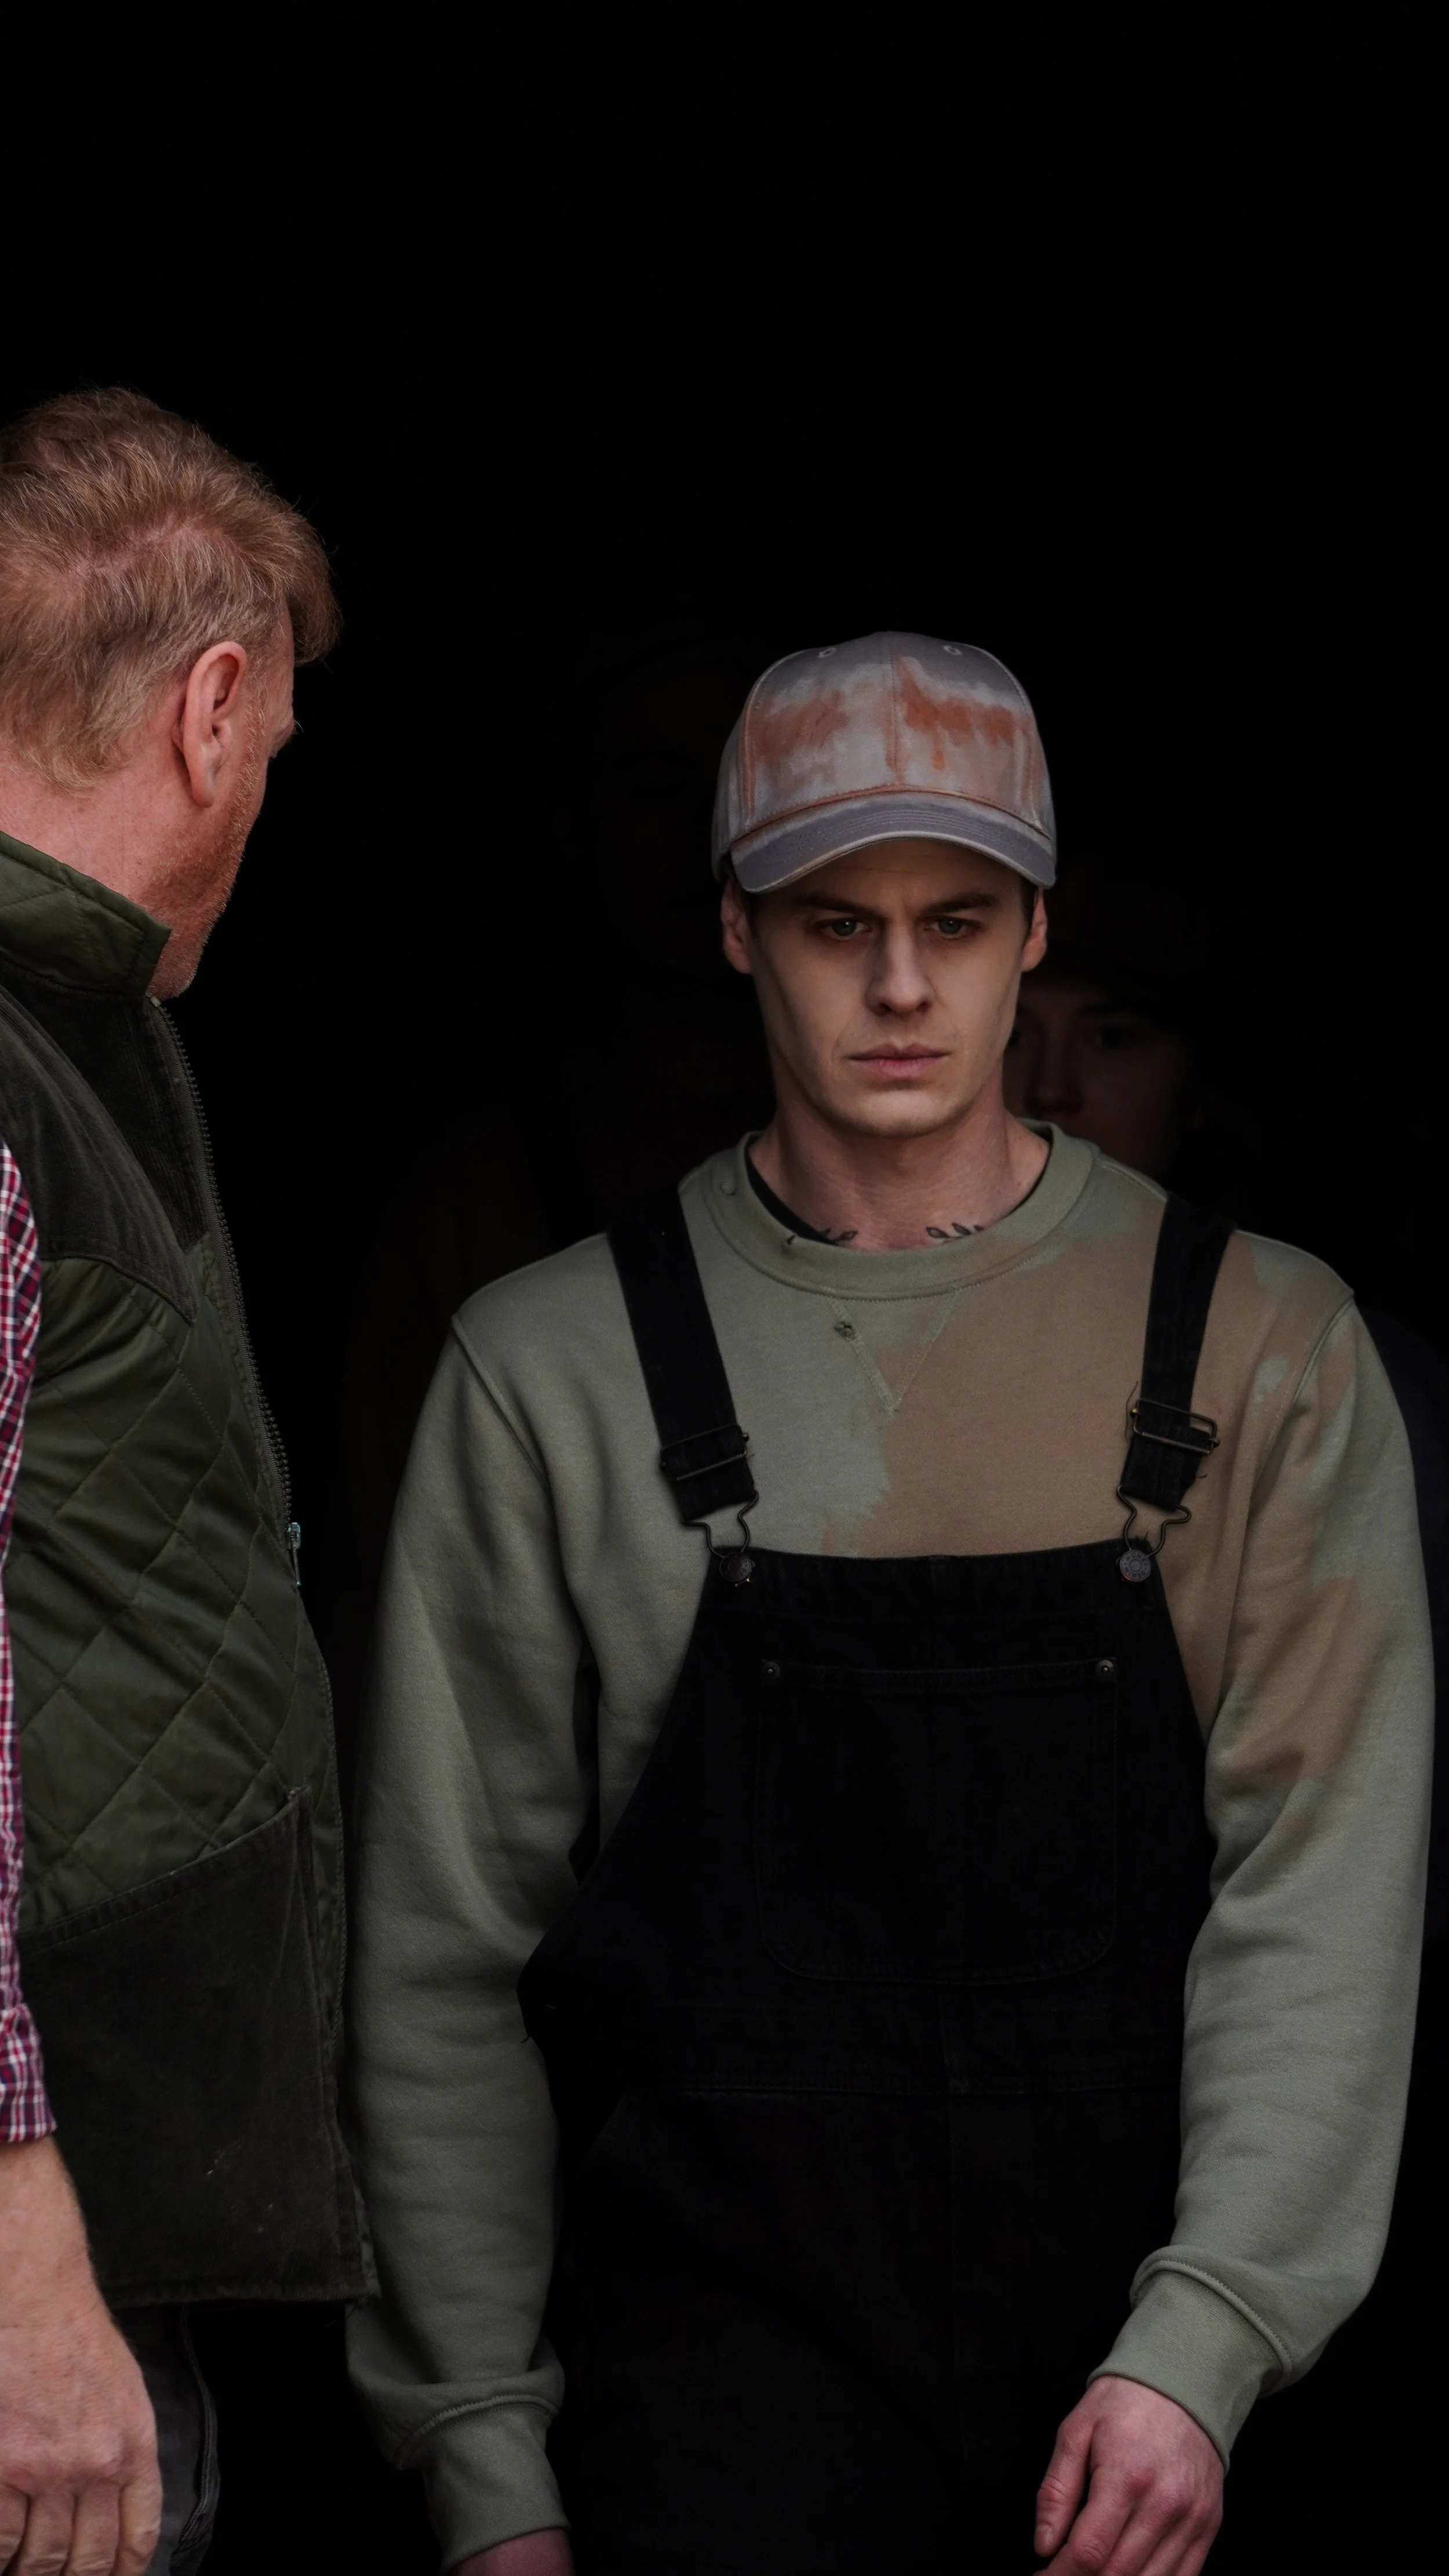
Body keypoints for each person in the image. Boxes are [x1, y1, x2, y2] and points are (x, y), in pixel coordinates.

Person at [347, 633, 1430, 2575]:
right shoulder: (550, 1368)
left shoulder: (1263, 1343)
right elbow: (446, 1952)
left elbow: (1322, 1890)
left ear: (1036, 929)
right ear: (734, 930)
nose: (905, 985)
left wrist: (1206, 2342)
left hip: (1151, 2401)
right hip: (712, 2406)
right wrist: (484, 2461)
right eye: (836, 922)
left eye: (958, 919)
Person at [0, 389, 361, 2576]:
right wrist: (23, 2239)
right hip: (36, 2266)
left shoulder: (71, 1033)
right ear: (212, 712)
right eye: (279, 748)